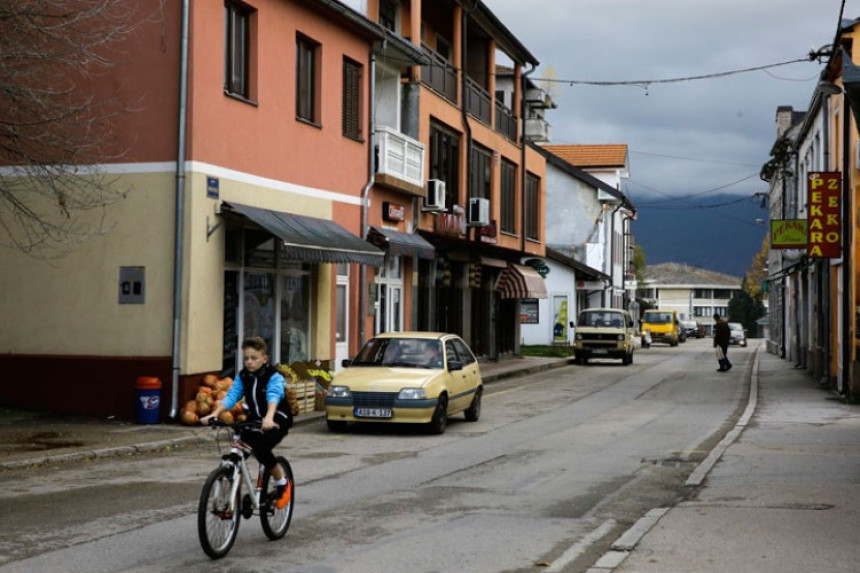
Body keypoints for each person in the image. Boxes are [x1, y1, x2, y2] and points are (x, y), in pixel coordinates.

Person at [201, 336, 293, 508]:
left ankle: (283, 483)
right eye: (246, 358)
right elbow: (232, 396)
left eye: (254, 358)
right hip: (255, 419)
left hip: (278, 417)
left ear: (264, 358)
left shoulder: (274, 376)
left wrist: (269, 417)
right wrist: (214, 414)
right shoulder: (243, 375)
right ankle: (234, 496)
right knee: (238, 452)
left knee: (261, 449)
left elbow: (274, 396)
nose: (249, 362)